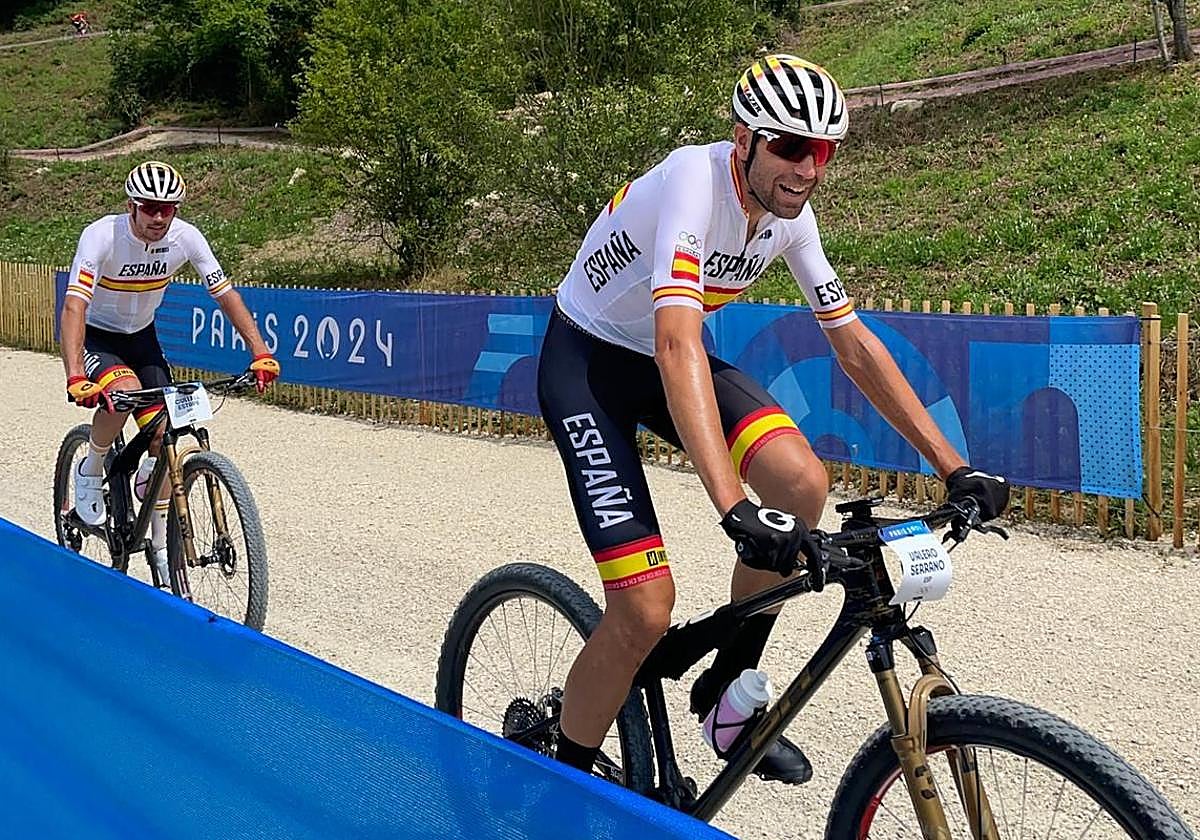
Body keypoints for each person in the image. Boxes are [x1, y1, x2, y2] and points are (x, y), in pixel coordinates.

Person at [538, 54, 1009, 783]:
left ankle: (725, 696)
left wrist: (955, 466)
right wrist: (731, 506)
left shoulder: (791, 219)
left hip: (666, 356)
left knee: (800, 483)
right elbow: (675, 342)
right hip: (588, 365)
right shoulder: (694, 182)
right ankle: (557, 785)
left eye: (822, 151)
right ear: (743, 140)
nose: (807, 169)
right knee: (644, 610)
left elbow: (853, 345)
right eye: (790, 147)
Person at [60, 160, 280, 580]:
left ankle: (157, 535)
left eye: (169, 208)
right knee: (121, 391)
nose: (159, 216)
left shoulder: (186, 237)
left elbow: (225, 294)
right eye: (150, 207)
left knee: (168, 434)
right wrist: (75, 374)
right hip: (98, 336)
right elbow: (74, 305)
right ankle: (90, 469)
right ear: (132, 206)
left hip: (142, 337)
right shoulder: (101, 235)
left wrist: (259, 350)